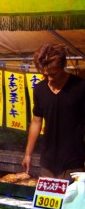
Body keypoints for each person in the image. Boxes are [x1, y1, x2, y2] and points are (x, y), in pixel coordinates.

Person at [22, 43, 85, 181]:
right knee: (47, 201)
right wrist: (28, 154)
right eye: (45, 75)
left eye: (53, 74)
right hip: (48, 163)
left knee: (72, 202)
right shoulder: (39, 89)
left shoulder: (80, 87)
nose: (49, 79)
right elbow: (36, 121)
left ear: (63, 65)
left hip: (74, 162)